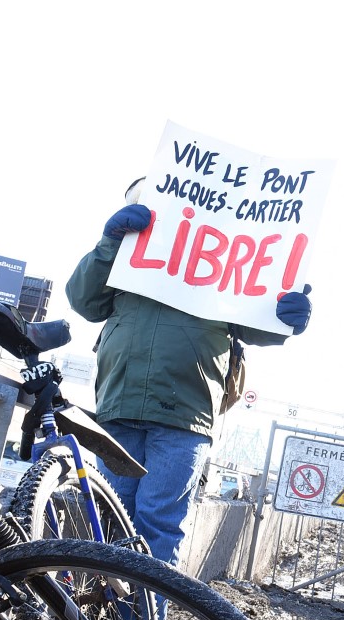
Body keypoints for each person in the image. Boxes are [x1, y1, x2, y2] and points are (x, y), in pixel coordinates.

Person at [66, 178, 313, 569]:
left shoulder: (226, 262)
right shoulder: (126, 253)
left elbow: (259, 323)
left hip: (184, 414)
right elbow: (84, 300)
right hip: (125, 405)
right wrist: (110, 242)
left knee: (156, 525)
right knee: (111, 523)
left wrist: (286, 316)